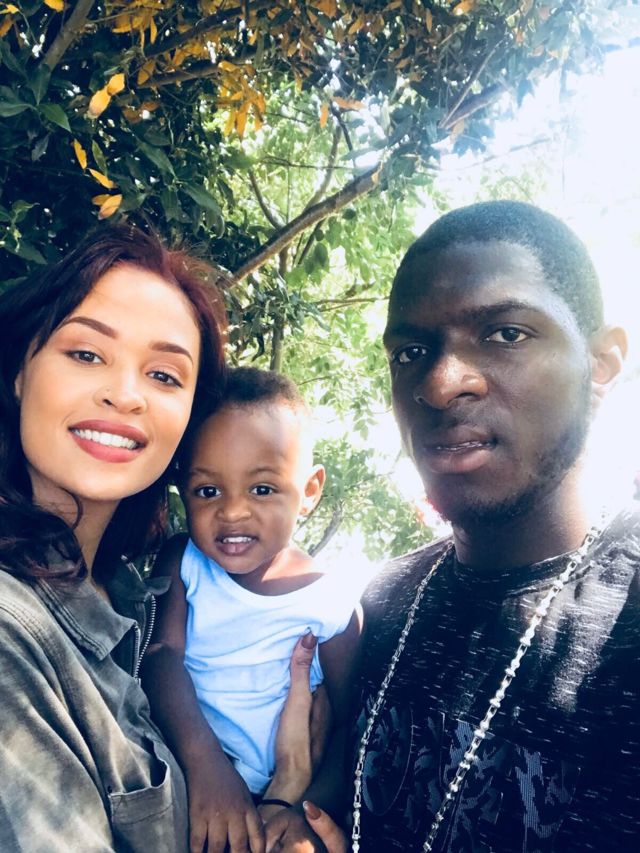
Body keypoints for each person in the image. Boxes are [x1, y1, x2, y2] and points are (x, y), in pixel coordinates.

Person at [304, 200, 640, 852]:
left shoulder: (626, 619)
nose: (439, 384)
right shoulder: (383, 605)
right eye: (411, 352)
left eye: (505, 334)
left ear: (601, 365)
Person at [0, 224, 229, 851]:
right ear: (20, 372)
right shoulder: (10, 629)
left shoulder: (135, 597)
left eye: (164, 376)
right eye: (86, 354)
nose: (125, 395)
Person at [142, 366, 368, 853]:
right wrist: (206, 766)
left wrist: (305, 811)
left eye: (262, 489)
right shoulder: (185, 560)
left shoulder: (331, 604)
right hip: (187, 775)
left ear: (309, 490)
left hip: (276, 806)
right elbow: (162, 656)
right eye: (208, 491)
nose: (232, 512)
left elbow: (350, 726)